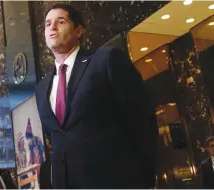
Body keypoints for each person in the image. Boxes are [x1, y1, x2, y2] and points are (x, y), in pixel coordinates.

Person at [34, 3, 157, 188]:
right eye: (47, 23)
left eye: (60, 21)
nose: (52, 27)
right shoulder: (41, 88)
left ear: (79, 30)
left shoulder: (106, 61)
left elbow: (141, 120)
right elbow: (56, 139)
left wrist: (144, 178)